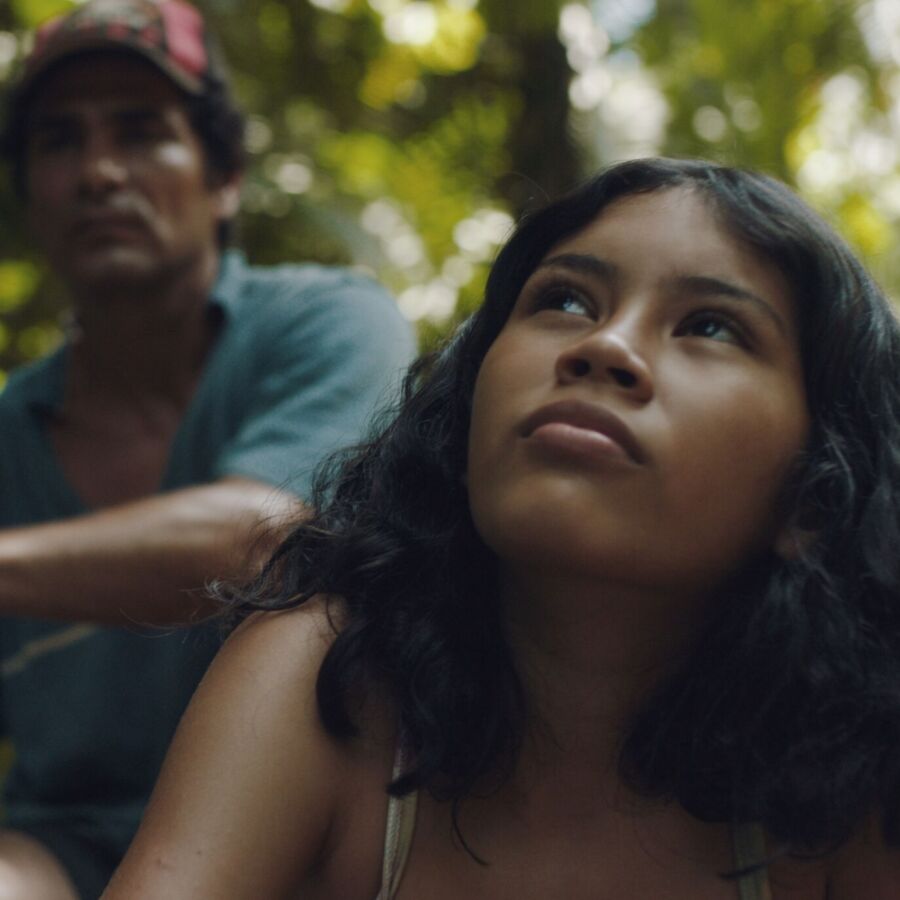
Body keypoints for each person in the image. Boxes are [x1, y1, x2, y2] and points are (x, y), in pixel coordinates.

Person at [103, 157, 900, 899]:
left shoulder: (858, 775)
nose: (605, 346)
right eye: (564, 301)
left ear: (815, 499)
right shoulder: (328, 675)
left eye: (712, 326)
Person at [0, 1, 415, 898]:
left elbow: (264, 537)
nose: (100, 171)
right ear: (30, 194)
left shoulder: (329, 321)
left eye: (143, 132)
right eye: (60, 141)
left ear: (224, 178)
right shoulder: (8, 439)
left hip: (308, 836)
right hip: (58, 846)